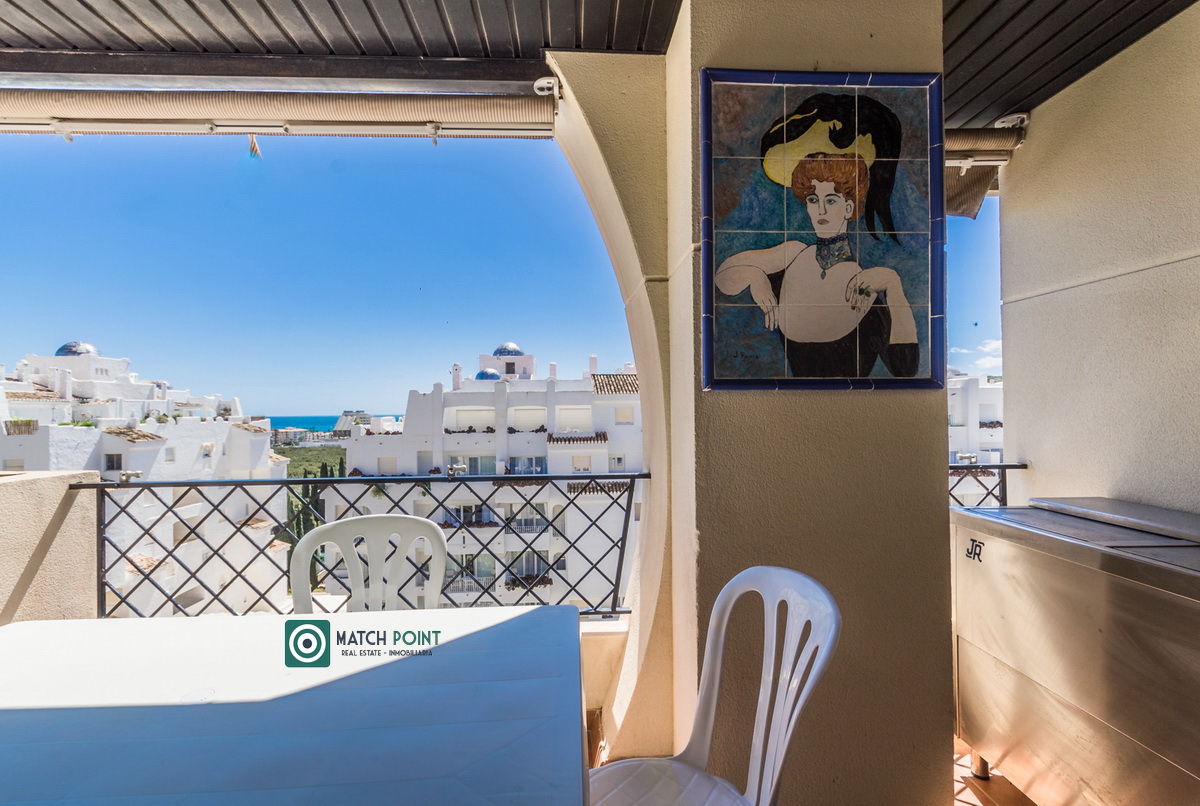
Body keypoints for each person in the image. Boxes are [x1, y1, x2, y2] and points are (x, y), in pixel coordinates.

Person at [715, 94, 919, 378]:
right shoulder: (793, 254)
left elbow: (906, 368)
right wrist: (755, 276)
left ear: (848, 207)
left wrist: (894, 286)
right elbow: (722, 278)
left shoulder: (865, 286)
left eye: (831, 200)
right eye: (813, 199)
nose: (820, 209)